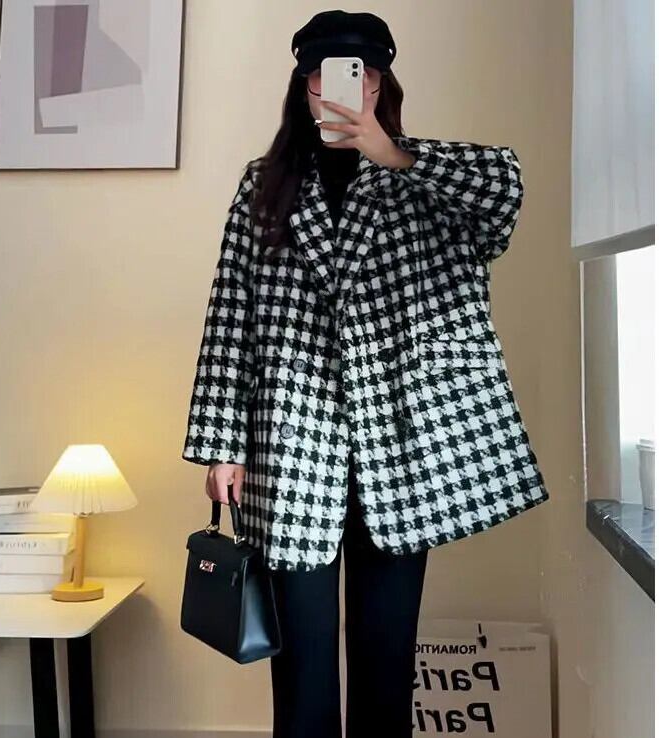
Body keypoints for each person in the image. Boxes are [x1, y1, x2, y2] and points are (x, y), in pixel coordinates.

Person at [182, 9, 549, 738]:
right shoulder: (265, 185)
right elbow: (230, 314)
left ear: (381, 84)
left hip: (400, 444)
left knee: (387, 658)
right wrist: (221, 445)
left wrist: (394, 153)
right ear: (304, 86)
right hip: (293, 442)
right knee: (302, 666)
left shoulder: (422, 179)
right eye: (323, 74)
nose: (341, 87)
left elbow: (504, 192)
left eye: (361, 72)